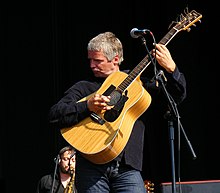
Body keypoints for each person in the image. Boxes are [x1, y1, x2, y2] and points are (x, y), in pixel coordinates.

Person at [48, 31, 186, 193]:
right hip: (90, 168)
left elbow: (176, 97)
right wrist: (87, 106)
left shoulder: (138, 85)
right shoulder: (85, 87)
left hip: (127, 167)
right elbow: (55, 114)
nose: (92, 65)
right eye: (90, 60)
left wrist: (172, 70)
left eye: (97, 60)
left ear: (115, 59)